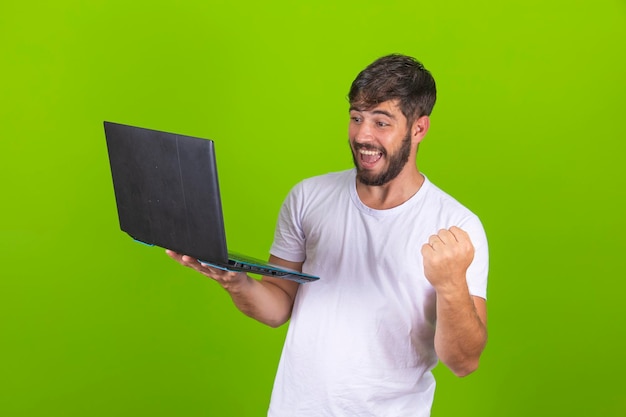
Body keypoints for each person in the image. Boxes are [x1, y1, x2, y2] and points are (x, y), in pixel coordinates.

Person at [167, 54, 489, 417]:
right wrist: (236, 282)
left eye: (381, 122)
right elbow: (277, 307)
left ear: (418, 129)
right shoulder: (307, 197)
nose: (363, 136)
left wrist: (450, 286)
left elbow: (463, 362)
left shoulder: (456, 226)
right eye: (356, 118)